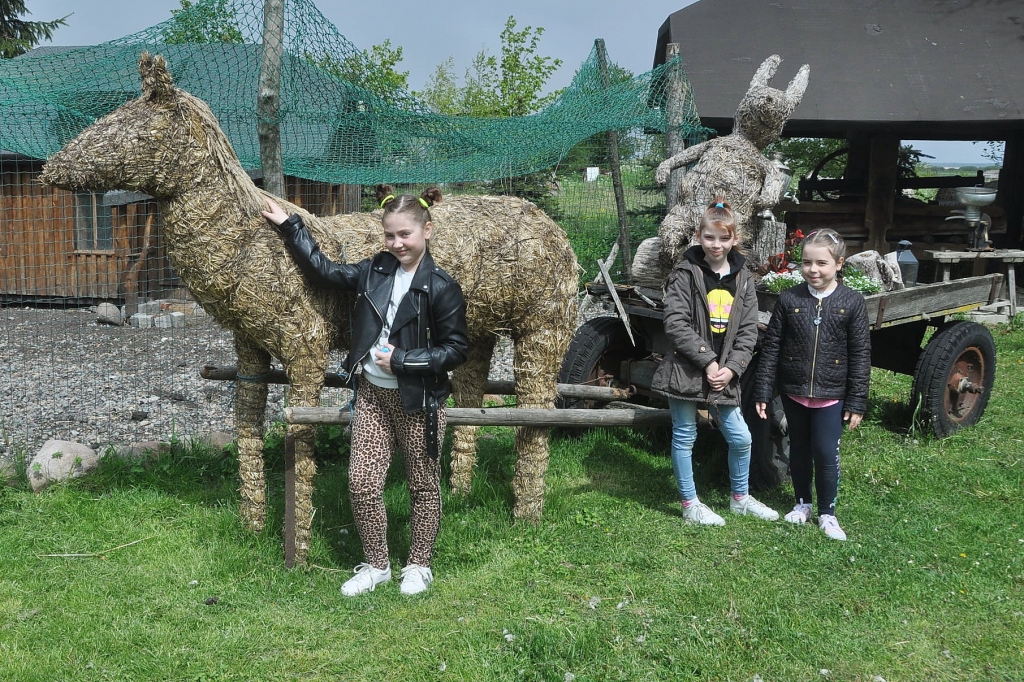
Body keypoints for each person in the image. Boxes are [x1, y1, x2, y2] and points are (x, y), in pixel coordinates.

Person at [262, 184, 468, 595]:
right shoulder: (374, 270)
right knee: (361, 483)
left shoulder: (442, 287)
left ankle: (419, 565)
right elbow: (324, 271)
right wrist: (291, 225)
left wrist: (405, 362)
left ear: (426, 230)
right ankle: (377, 565)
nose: (397, 243)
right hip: (373, 394)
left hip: (420, 401)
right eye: (389, 235)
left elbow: (456, 349)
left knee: (423, 484)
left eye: (405, 234)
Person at [651, 198, 779, 526]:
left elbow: (749, 330)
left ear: (735, 238)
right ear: (699, 235)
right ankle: (690, 504)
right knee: (684, 434)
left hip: (726, 373)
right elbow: (676, 322)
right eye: (710, 237)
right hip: (687, 368)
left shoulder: (744, 279)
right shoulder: (685, 273)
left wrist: (732, 367)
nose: (716, 245)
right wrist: (708, 361)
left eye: (724, 238)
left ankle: (740, 498)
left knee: (741, 437)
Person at [753, 228, 870, 541]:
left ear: (839, 264)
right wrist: (764, 389)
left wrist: (857, 401)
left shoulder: (852, 302)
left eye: (821, 263)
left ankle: (828, 513)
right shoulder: (790, 299)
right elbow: (772, 347)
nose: (813, 270)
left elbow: (860, 354)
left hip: (831, 394)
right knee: (800, 448)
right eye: (807, 263)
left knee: (824, 450)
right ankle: (802, 503)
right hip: (794, 390)